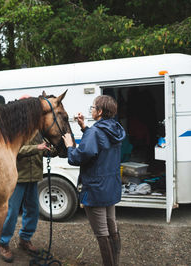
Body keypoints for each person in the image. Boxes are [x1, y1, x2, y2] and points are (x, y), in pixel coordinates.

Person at [62, 95, 125, 266]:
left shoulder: (96, 132)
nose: (91, 109)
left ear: (100, 111)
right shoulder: (115, 129)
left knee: (102, 233)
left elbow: (79, 157)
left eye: (93, 107)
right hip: (110, 187)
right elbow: (100, 143)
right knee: (112, 227)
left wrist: (69, 146)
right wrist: (85, 128)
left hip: (96, 189)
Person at [0, 131, 54, 263]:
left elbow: (46, 148)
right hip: (18, 177)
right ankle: (2, 243)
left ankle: (25, 239)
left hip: (33, 177)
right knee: (12, 212)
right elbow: (13, 149)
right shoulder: (18, 129)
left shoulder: (39, 132)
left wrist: (51, 149)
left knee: (33, 210)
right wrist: (37, 148)